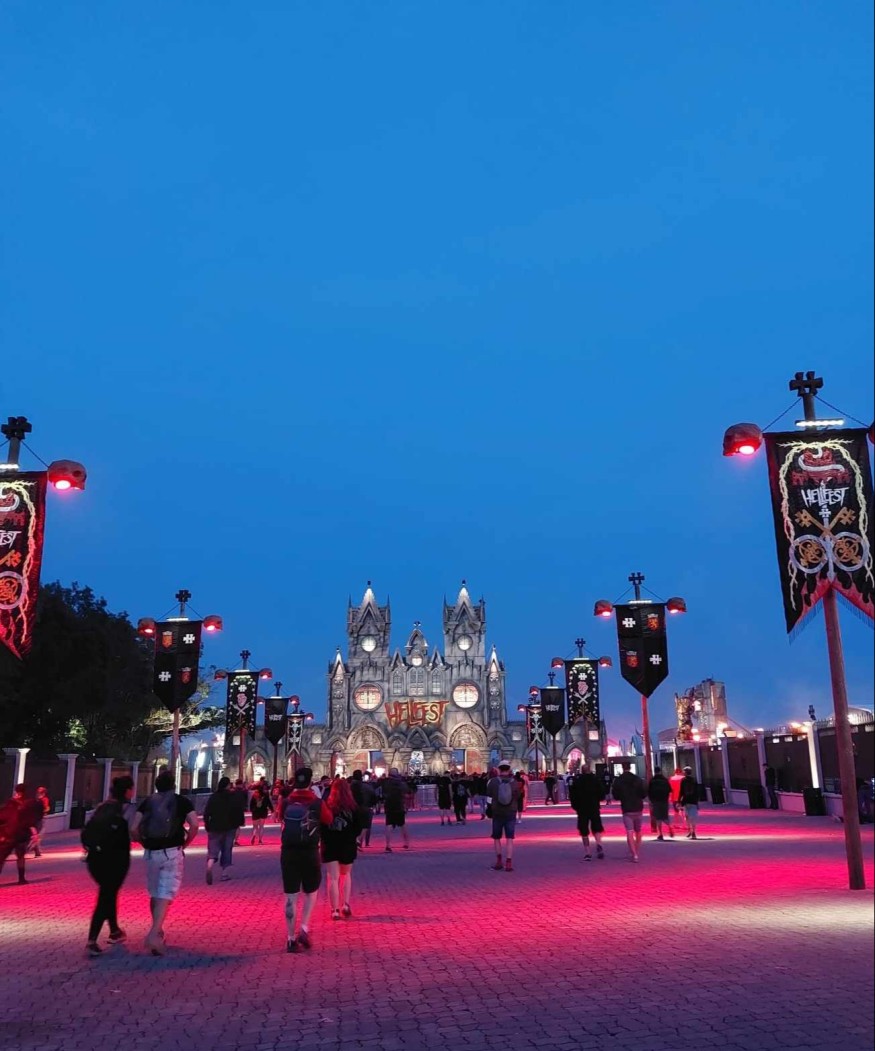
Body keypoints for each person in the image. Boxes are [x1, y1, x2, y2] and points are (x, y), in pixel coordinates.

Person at [131, 770, 198, 955]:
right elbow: (194, 824)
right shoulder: (181, 801)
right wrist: (186, 843)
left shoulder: (147, 802)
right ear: (173, 785)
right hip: (172, 852)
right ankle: (153, 935)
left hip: (151, 853)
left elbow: (133, 828)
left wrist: (143, 842)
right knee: (165, 893)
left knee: (155, 893)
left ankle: (158, 930)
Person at [82, 775, 135, 956]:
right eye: (131, 789)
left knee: (109, 893)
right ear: (127, 791)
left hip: (95, 859)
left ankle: (114, 930)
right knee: (106, 897)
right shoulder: (123, 810)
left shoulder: (102, 807)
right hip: (114, 861)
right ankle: (91, 941)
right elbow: (131, 833)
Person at [279, 767, 332, 953]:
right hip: (309, 852)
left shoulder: (286, 802)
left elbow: (280, 818)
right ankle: (304, 927)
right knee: (311, 891)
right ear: (310, 782)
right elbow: (328, 819)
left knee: (290, 896)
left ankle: (290, 938)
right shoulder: (316, 802)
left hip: (288, 852)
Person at [321, 778, 361, 921]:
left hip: (330, 844)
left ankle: (335, 910)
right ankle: (346, 904)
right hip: (347, 844)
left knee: (333, 877)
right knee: (346, 874)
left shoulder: (327, 805)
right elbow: (358, 828)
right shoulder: (353, 807)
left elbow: (322, 826)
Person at [0, 784, 43, 885]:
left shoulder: (11, 804)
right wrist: (33, 831)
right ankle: (21, 878)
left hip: (10, 833)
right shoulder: (30, 803)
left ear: (17, 792)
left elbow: (3, 817)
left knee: (2, 857)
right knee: (20, 856)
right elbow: (35, 818)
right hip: (22, 834)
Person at [203, 777, 239, 884]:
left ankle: (210, 864)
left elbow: (207, 812)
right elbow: (236, 811)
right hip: (229, 827)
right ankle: (224, 874)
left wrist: (207, 824)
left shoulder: (213, 797)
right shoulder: (232, 796)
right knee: (227, 850)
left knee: (213, 849)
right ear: (227, 785)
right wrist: (237, 824)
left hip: (214, 826)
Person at [568, 763, 606, 860]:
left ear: (582, 770)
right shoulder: (595, 779)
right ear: (590, 769)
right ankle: (599, 844)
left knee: (583, 830)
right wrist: (597, 800)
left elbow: (573, 796)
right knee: (597, 827)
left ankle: (588, 852)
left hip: (582, 809)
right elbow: (602, 793)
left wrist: (576, 807)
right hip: (594, 807)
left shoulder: (577, 781)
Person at [487, 762, 520, 871]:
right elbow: (518, 796)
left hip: (497, 812)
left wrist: (489, 810)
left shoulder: (493, 782)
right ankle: (509, 862)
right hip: (511, 812)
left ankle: (499, 861)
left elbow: (489, 797)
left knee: (496, 837)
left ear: (499, 769)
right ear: (509, 769)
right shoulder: (514, 782)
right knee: (509, 838)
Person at [612, 760, 646, 862]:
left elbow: (616, 796)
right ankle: (636, 851)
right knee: (638, 831)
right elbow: (643, 793)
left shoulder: (619, 780)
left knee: (629, 831)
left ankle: (634, 854)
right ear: (630, 767)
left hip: (627, 809)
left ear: (622, 768)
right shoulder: (637, 779)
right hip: (638, 808)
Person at [382, 768, 411, 852]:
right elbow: (407, 792)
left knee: (389, 824)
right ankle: (406, 843)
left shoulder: (386, 783)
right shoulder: (401, 783)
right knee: (402, 824)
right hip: (399, 806)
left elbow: (383, 793)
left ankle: (388, 845)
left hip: (389, 806)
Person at [349, 770, 376, 847]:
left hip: (352, 808)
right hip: (365, 807)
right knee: (366, 825)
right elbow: (373, 797)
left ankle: (355, 841)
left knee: (354, 825)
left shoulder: (349, 786)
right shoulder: (366, 786)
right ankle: (361, 841)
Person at [647, 769, 674, 841]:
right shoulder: (665, 780)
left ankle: (660, 834)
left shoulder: (652, 781)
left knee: (658, 818)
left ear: (654, 772)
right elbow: (670, 790)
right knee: (665, 816)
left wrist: (650, 801)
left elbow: (649, 792)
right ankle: (670, 826)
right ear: (660, 772)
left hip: (655, 801)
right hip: (664, 801)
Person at [679, 766, 700, 839]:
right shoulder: (694, 780)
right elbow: (697, 792)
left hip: (686, 801)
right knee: (693, 817)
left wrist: (679, 801)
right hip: (693, 801)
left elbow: (681, 791)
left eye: (684, 771)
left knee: (687, 817)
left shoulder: (683, 780)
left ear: (685, 772)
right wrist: (697, 802)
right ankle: (693, 831)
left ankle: (690, 831)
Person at [32, 787, 51, 858]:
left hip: (35, 818)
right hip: (40, 818)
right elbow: (45, 808)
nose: (37, 793)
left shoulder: (36, 800)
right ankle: (37, 850)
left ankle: (37, 850)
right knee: (39, 834)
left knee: (36, 834)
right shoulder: (44, 800)